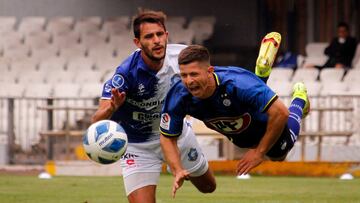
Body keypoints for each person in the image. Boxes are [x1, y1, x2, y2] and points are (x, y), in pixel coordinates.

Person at [159, 33, 310, 196]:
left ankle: (300, 99)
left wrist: (259, 153)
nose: (188, 81)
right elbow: (167, 136)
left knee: (279, 154)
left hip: (262, 123)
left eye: (194, 74)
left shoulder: (237, 83)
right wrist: (177, 169)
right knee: (245, 111)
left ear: (210, 71)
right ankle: (261, 74)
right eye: (184, 75)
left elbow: (281, 113)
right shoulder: (179, 95)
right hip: (241, 129)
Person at [92, 10, 216, 203]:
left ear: (166, 36)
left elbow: (209, 80)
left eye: (160, 34)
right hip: (138, 146)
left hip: (175, 134)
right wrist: (112, 108)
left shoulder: (181, 57)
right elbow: (96, 121)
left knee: (209, 187)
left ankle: (172, 161)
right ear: (137, 43)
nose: (156, 40)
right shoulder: (126, 73)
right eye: (149, 36)